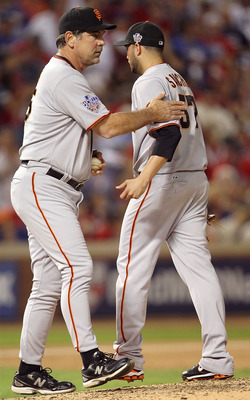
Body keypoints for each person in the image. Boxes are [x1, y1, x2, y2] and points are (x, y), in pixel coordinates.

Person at [10, 7, 186, 396]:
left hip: (50, 181)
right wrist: (152, 113)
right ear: (69, 39)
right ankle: (92, 360)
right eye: (93, 35)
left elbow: (54, 130)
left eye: (103, 35)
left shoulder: (62, 77)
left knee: (48, 284)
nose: (102, 41)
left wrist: (81, 158)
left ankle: (27, 371)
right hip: (43, 185)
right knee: (78, 267)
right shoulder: (64, 75)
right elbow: (107, 126)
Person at [112, 21, 234, 383]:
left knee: (131, 270)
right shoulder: (178, 78)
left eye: (126, 48)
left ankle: (128, 357)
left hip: (163, 180)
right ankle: (217, 358)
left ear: (137, 47)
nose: (125, 54)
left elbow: (166, 137)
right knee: (200, 271)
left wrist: (144, 177)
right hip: (195, 180)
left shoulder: (147, 81)